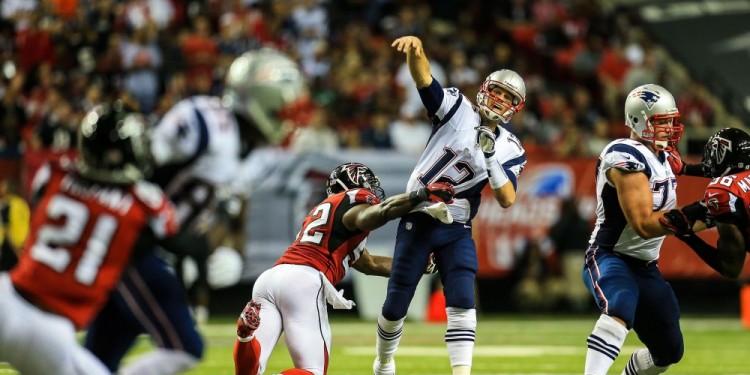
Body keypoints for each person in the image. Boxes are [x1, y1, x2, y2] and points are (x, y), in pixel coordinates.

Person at [84, 48, 308, 374]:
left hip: (155, 253)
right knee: (184, 347)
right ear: (261, 101)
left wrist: (218, 249)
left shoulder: (256, 156)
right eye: (281, 109)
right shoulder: (204, 120)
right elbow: (133, 171)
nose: (285, 119)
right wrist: (168, 239)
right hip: (135, 247)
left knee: (98, 359)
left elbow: (219, 215)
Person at [373, 35, 528, 375]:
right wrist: (418, 51)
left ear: (515, 107)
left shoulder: (511, 148)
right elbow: (424, 79)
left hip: (456, 225)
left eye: (508, 97)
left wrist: (488, 155)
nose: (500, 99)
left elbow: (507, 199)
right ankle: (383, 361)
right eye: (498, 91)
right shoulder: (458, 109)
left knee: (461, 297)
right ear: (486, 90)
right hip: (418, 215)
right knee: (397, 301)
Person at [0, 102, 179, 374]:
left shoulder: (53, 175)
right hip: (49, 328)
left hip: (6, 295)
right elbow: (175, 236)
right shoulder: (144, 204)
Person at [233, 162, 455, 375]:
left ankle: (244, 335)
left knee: (251, 370)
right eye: (367, 182)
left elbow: (369, 264)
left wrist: (418, 265)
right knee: (312, 372)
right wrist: (420, 196)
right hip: (303, 280)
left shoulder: (325, 213)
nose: (372, 188)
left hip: (270, 279)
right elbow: (374, 215)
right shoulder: (351, 201)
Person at [582, 84, 693, 375]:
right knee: (620, 303)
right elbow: (644, 225)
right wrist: (700, 214)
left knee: (669, 351)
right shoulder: (622, 154)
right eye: (662, 122)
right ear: (638, 120)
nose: (670, 128)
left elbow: (695, 170)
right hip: (610, 256)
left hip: (647, 267)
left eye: (671, 121)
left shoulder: (665, 158)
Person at [661, 127, 750, 279]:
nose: (709, 162)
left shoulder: (723, 193)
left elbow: (731, 268)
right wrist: (685, 169)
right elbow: (731, 171)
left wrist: (688, 236)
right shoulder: (736, 185)